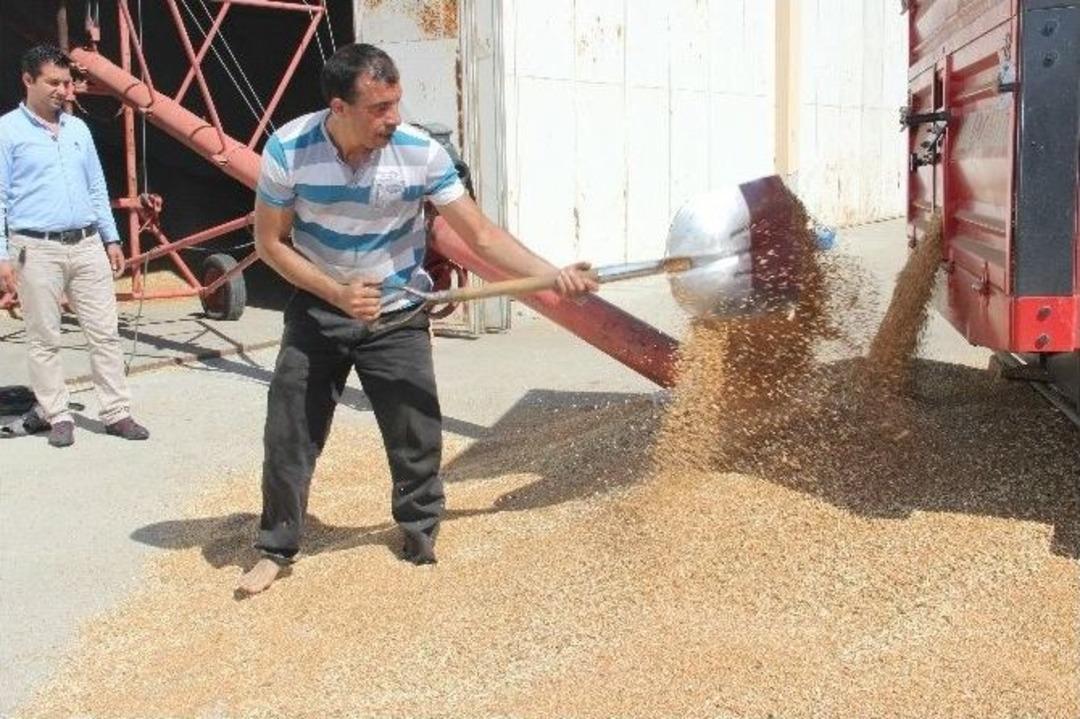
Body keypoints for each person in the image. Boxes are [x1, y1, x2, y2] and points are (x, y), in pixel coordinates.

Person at [238, 43, 596, 594]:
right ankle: (276, 547)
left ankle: (420, 532)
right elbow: (270, 243)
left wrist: (552, 276)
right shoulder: (289, 149)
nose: (393, 118)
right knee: (290, 433)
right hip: (319, 309)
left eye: (396, 103)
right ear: (339, 107)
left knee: (415, 432)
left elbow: (482, 236)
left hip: (399, 311)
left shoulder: (418, 152)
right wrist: (335, 292)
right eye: (379, 108)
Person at [0, 45, 149, 448]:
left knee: (105, 332)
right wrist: (2, 256)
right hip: (36, 248)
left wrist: (111, 237)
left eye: (67, 83)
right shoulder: (7, 131)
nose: (64, 91)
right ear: (28, 80)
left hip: (86, 244)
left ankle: (116, 412)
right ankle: (57, 414)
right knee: (43, 337)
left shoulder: (78, 130)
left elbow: (96, 186)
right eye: (54, 82)